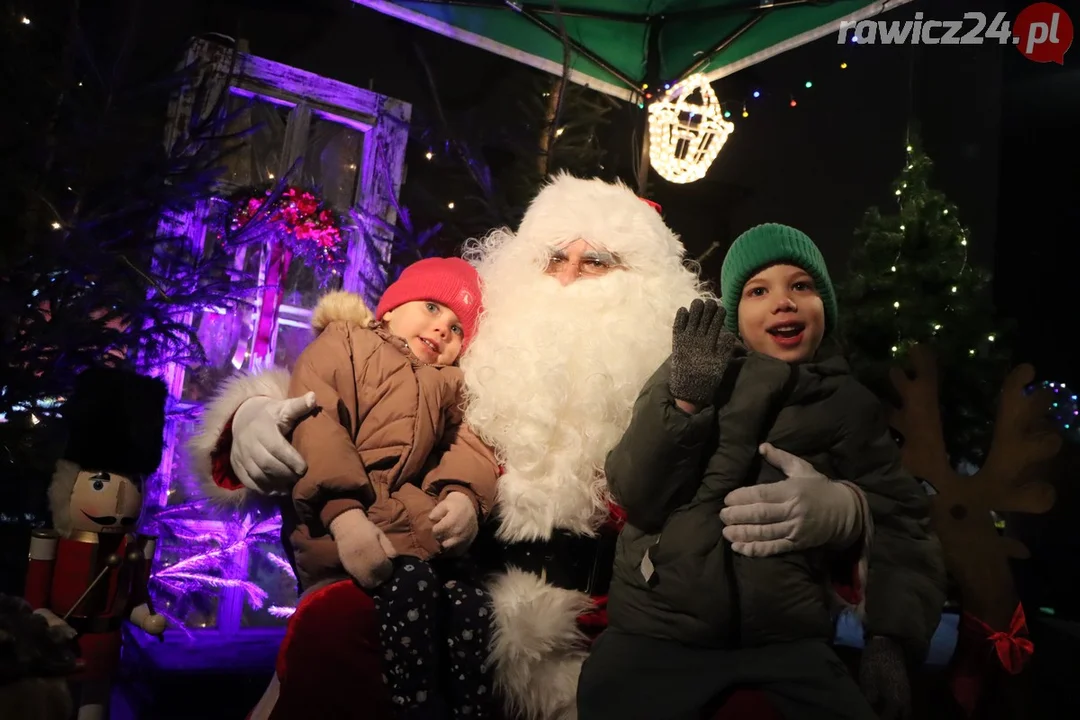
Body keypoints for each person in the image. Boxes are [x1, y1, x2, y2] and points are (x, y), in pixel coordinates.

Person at [191, 175, 886, 720]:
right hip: (466, 594)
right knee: (336, 629)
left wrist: (850, 512)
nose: (570, 272)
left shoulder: (689, 368)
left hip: (619, 617)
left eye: (599, 260)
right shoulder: (477, 349)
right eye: (555, 255)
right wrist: (257, 412)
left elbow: (786, 465)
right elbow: (369, 392)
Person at [578, 223, 947, 720]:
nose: (783, 302)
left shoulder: (846, 403)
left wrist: (890, 639)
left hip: (786, 638)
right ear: (734, 313)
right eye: (758, 290)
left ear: (824, 308)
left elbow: (903, 521)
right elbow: (635, 489)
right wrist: (685, 402)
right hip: (658, 629)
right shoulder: (689, 369)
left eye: (801, 285)